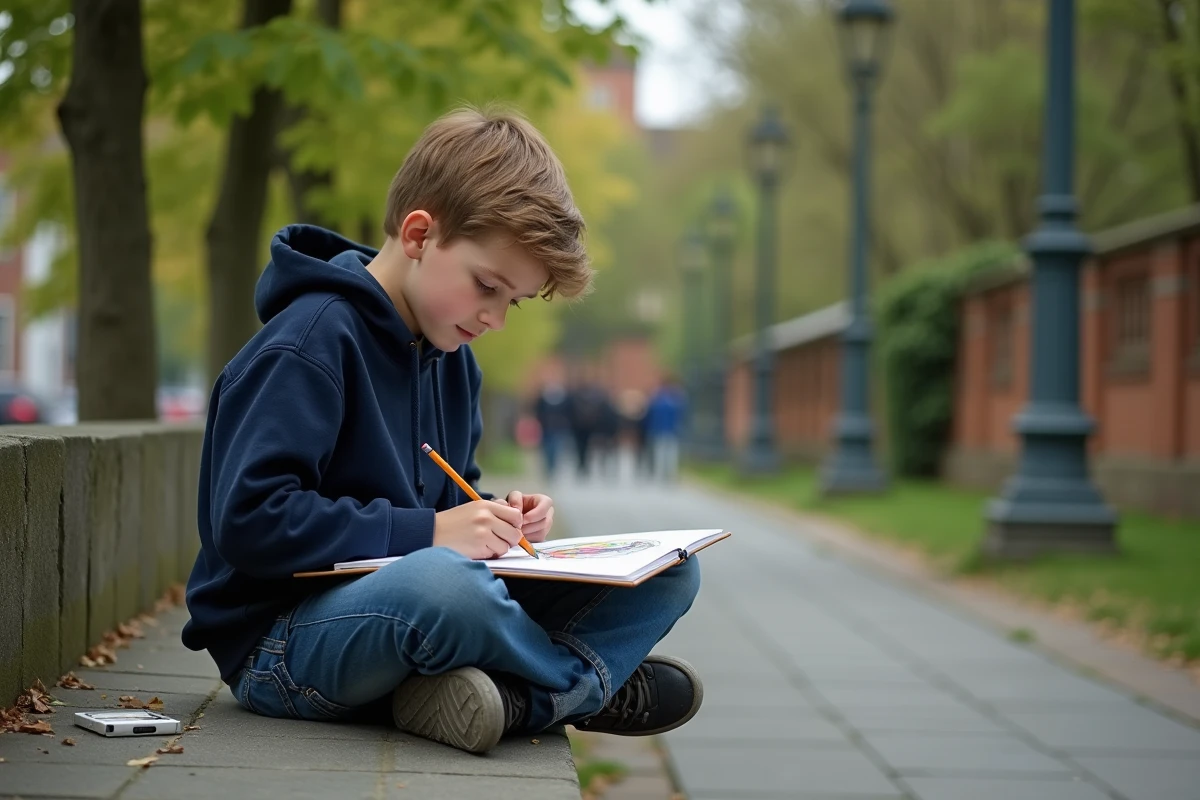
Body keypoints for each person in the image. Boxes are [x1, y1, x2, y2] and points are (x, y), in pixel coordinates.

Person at [181, 106, 703, 755]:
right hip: (283, 644)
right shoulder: (308, 345)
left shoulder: (452, 360)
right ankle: (576, 687)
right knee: (448, 588)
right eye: (487, 286)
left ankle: (510, 699)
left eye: (511, 301)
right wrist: (430, 533)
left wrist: (493, 519)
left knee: (671, 572)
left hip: (399, 618)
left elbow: (451, 505)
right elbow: (251, 521)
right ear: (420, 233)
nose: (495, 319)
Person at [644, 378, 687, 482]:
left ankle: (662, 475)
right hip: (671, 431)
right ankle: (669, 475)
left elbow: (649, 415)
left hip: (661, 431)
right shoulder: (675, 401)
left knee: (661, 454)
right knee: (670, 455)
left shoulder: (657, 400)